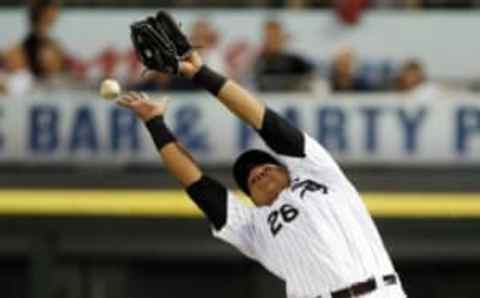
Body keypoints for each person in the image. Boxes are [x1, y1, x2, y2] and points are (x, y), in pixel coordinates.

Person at [118, 50, 407, 298]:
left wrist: (202, 74)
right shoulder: (254, 227)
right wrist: (154, 122)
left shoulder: (320, 174)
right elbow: (198, 185)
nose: (256, 172)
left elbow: (264, 121)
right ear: (253, 201)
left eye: (265, 166)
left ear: (287, 170)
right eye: (249, 179)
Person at [254, 20, 314, 92]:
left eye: (275, 36)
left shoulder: (295, 61)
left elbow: (311, 77)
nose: (272, 40)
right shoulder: (258, 61)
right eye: (269, 36)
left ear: (281, 37)